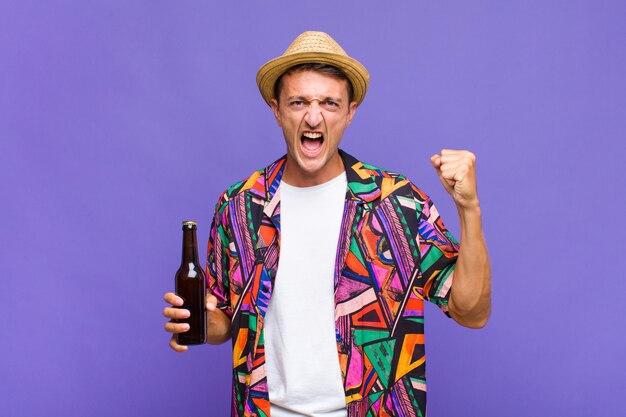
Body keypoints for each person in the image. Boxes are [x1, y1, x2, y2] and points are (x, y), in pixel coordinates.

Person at [163, 31, 491, 417]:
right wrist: (199, 320)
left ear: (350, 112)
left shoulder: (395, 203)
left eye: (330, 103)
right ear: (277, 110)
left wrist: (468, 209)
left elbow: (472, 313)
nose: (313, 116)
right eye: (298, 102)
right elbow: (225, 321)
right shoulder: (239, 206)